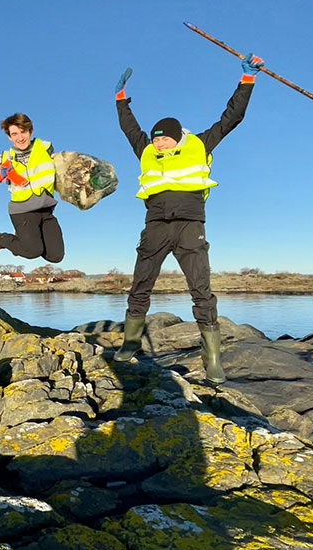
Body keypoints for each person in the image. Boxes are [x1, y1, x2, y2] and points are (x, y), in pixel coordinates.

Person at [107, 55, 259, 378]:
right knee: (140, 285)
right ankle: (131, 342)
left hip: (191, 227)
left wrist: (247, 80)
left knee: (201, 290)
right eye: (156, 137)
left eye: (164, 136)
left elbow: (231, 118)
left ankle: (212, 359)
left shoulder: (201, 144)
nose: (158, 141)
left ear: (177, 136)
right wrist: (121, 100)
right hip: (155, 227)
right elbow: (129, 129)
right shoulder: (146, 151)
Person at [0, 114, 65, 264]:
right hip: (22, 211)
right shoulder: (5, 157)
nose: (20, 137)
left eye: (23, 131)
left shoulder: (46, 148)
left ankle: (26, 238)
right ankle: (1, 240)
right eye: (14, 134)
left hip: (46, 209)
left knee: (55, 256)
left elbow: (64, 168)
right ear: (9, 137)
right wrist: (0, 176)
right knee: (32, 250)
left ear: (31, 131)